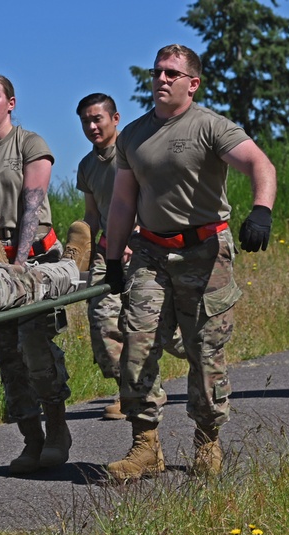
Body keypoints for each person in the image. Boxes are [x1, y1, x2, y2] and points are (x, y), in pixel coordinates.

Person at [104, 45, 276, 481]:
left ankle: (207, 441)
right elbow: (123, 201)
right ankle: (145, 445)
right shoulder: (133, 136)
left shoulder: (211, 126)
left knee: (205, 352)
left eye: (171, 73)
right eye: (157, 71)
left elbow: (260, 163)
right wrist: (111, 256)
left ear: (192, 83)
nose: (161, 79)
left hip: (205, 252)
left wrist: (261, 209)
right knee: (137, 343)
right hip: (150, 252)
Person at [0, 74, 88, 475]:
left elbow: (33, 203)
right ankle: (32, 438)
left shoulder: (30, 144)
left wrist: (20, 262)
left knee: (35, 346)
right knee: (6, 353)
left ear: (11, 103)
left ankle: (58, 429)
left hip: (37, 256)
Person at [74, 93, 184, 420]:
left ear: (115, 118)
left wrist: (132, 235)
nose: (92, 126)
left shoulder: (137, 151)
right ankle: (129, 393)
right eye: (85, 121)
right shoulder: (87, 166)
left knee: (163, 328)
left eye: (98, 119)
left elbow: (153, 198)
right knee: (103, 321)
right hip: (108, 252)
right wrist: (80, 244)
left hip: (145, 246)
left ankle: (203, 362)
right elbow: (92, 214)